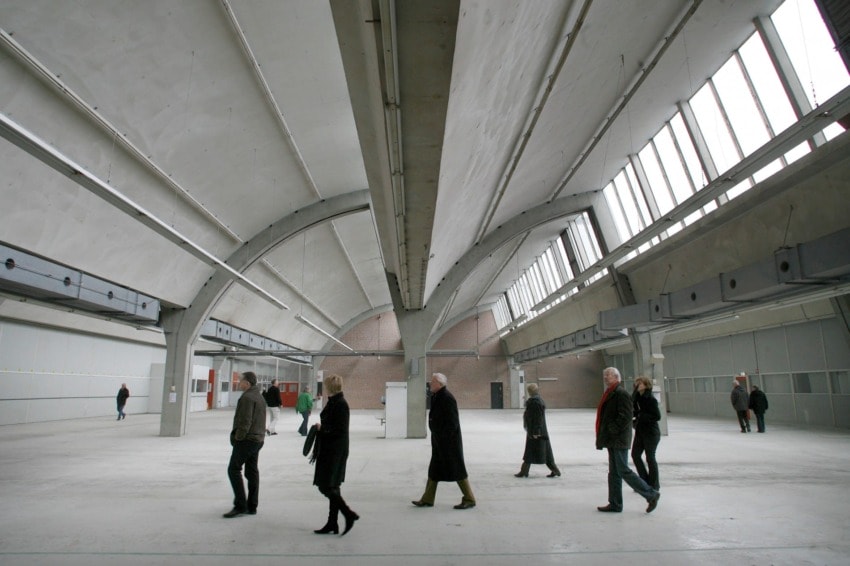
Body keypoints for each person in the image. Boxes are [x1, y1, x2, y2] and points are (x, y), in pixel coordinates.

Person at [595, 367, 660, 513]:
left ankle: (651, 494)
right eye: (604, 375)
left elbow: (625, 416)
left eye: (609, 375)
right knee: (614, 473)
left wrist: (613, 428)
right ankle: (615, 503)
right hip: (612, 439)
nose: (606, 377)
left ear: (617, 377)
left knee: (623, 469)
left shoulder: (621, 393)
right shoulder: (611, 392)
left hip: (618, 439)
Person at [412, 373, 477, 510]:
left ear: (440, 384)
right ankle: (427, 499)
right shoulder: (437, 396)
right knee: (434, 470)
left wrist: (444, 438)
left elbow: (452, 423)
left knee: (457, 470)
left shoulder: (447, 398)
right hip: (439, 441)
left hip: (449, 443)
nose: (430, 383)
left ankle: (469, 498)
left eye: (433, 381)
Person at [312, 374, 359, 536]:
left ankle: (348, 514)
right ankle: (333, 522)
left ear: (330, 387)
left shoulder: (340, 404)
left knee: (326, 485)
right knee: (333, 486)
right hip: (329, 448)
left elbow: (339, 430)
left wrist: (321, 429)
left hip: (335, 450)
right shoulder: (334, 401)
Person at [223, 371, 266, 518]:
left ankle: (240, 505)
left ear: (247, 383)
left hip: (248, 439)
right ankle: (252, 506)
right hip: (258, 439)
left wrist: (238, 438)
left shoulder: (247, 397)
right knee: (251, 472)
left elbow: (245, 421)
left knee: (233, 469)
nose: (238, 383)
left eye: (240, 381)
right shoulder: (259, 396)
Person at [515, 383, 561, 478]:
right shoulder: (537, 401)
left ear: (530, 391)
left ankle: (524, 471)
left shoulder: (535, 402)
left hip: (536, 431)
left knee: (531, 451)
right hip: (539, 430)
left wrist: (536, 432)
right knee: (545, 452)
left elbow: (537, 418)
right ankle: (555, 470)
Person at [631, 376, 661, 491]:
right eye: (637, 383)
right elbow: (632, 408)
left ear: (646, 385)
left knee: (650, 457)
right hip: (640, 431)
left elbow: (657, 416)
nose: (638, 385)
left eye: (641, 383)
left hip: (651, 433)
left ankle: (654, 484)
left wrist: (640, 415)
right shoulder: (637, 398)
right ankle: (643, 481)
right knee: (635, 455)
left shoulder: (651, 399)